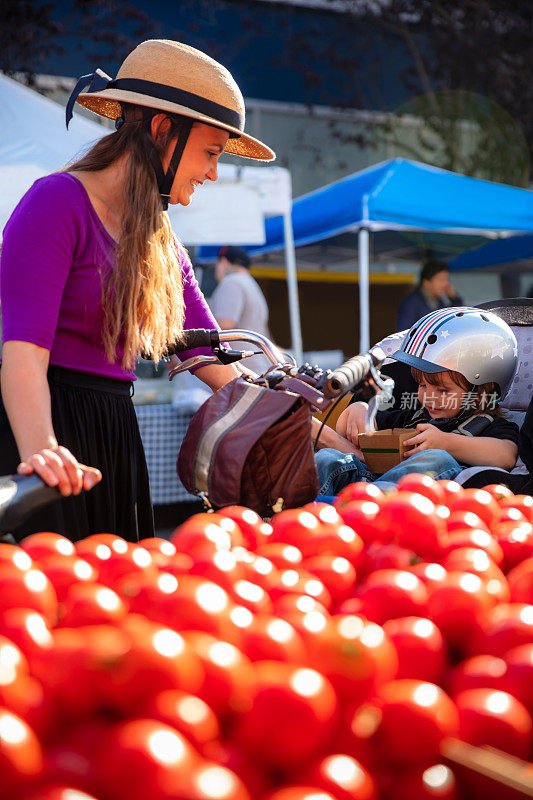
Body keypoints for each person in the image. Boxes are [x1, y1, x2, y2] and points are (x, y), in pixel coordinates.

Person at [0, 38, 277, 542]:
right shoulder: (56, 201)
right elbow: (22, 355)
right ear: (162, 129)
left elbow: (211, 355)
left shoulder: (161, 238)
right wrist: (41, 449)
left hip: (117, 433)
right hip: (45, 425)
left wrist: (314, 420)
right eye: (210, 151)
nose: (214, 171)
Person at [315, 307, 520, 495]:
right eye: (422, 385)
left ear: (480, 390)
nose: (428, 396)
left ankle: (372, 499)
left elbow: (506, 455)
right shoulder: (414, 418)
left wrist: (446, 443)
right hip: (367, 485)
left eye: (442, 390)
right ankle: (319, 506)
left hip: (420, 499)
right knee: (327, 457)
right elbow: (357, 427)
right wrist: (358, 411)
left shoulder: (492, 426)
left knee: (438, 459)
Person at [209, 245, 271, 373]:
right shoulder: (252, 284)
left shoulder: (232, 282)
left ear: (224, 262)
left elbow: (225, 324)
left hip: (240, 370)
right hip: (255, 365)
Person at [396, 257, 463, 331]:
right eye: (441, 280)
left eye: (446, 279)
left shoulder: (439, 302)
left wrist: (454, 298)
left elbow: (455, 318)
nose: (446, 284)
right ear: (426, 283)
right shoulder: (411, 303)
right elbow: (403, 332)